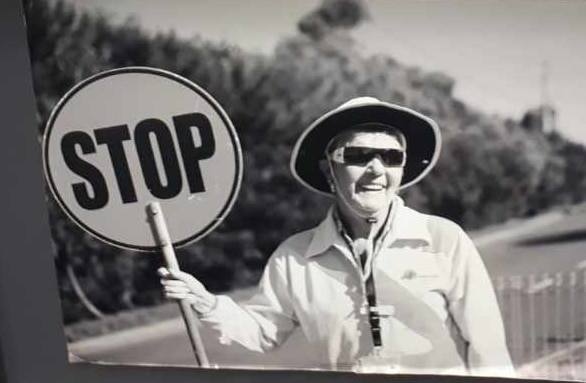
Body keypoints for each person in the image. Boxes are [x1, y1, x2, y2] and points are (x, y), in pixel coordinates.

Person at [159, 97, 515, 376]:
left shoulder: (443, 239)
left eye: (391, 157)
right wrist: (205, 302)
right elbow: (263, 331)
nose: (376, 169)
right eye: (359, 155)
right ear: (328, 170)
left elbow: (488, 347)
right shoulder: (294, 256)